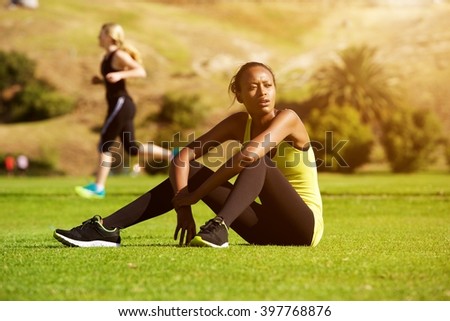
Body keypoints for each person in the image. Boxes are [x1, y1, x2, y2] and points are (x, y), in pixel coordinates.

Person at [54, 62, 323, 248]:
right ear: (238, 94)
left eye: (268, 85)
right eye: (252, 86)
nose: (262, 92)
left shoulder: (289, 118)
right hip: (265, 231)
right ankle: (106, 229)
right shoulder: (238, 123)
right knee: (193, 171)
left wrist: (197, 194)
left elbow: (247, 156)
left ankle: (219, 227)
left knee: (256, 159)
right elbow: (183, 157)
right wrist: (183, 203)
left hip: (303, 228)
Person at [76, 23, 172, 199]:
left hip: (122, 104)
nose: (98, 37)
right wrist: (102, 81)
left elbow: (140, 71)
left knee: (105, 141)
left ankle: (98, 187)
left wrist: (120, 75)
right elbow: (113, 79)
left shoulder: (118, 54)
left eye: (101, 34)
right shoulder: (106, 57)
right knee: (132, 148)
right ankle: (173, 156)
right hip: (120, 105)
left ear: (110, 37)